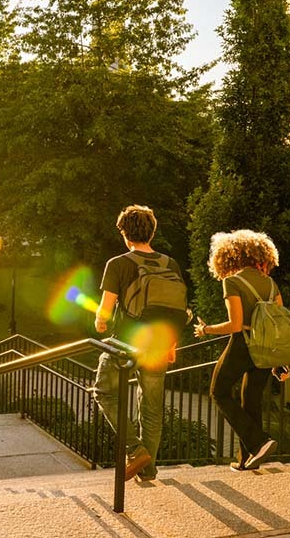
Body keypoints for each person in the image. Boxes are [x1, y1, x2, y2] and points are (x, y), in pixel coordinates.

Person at [94, 205, 187, 482]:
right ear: (152, 231)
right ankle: (148, 469)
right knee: (151, 408)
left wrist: (99, 323)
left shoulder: (118, 263)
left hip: (126, 344)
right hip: (159, 344)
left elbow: (105, 311)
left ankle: (134, 450)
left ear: (125, 233)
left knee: (103, 392)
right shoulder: (171, 264)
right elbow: (175, 308)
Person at [194, 229, 282, 471]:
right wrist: (279, 361)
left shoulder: (231, 281)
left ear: (230, 257)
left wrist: (206, 330)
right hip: (266, 347)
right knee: (251, 400)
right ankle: (246, 458)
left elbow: (235, 324)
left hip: (243, 344)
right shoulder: (271, 284)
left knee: (218, 391)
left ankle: (259, 441)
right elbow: (279, 322)